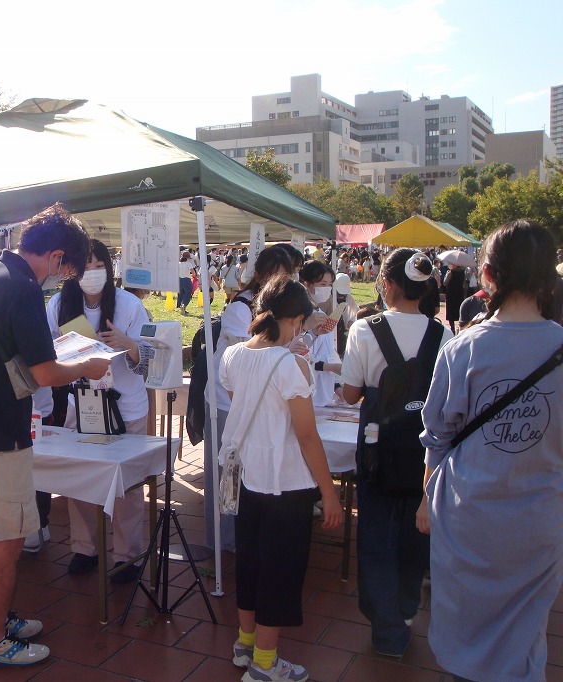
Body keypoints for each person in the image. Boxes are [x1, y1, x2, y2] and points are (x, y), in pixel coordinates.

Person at [0, 203, 109, 668]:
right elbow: (45, 372)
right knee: (8, 541)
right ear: (55, 257)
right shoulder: (23, 289)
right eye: (67, 270)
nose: (63, 279)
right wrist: (88, 365)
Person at [418, 221, 563, 682]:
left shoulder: (463, 348)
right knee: (525, 633)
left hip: (468, 515)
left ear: (488, 275)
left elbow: (437, 436)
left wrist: (426, 498)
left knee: (464, 630)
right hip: (540, 518)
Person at [220, 275, 342, 682]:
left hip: (246, 476)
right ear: (295, 320)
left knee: (250, 562)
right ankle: (265, 664)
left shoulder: (233, 355)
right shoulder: (291, 365)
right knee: (280, 572)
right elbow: (307, 435)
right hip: (286, 482)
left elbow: (243, 406)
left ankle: (245, 644)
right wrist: (329, 492)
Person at [341, 248, 453, 658]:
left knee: (376, 534)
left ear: (386, 283)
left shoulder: (364, 329)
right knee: (415, 531)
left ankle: (386, 628)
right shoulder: (444, 335)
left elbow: (350, 394)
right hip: (424, 452)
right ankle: (406, 610)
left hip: (377, 449)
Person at [45, 239, 152, 584]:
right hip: (83, 405)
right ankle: (85, 548)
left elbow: (150, 360)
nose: (92, 273)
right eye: (85, 266)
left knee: (127, 484)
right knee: (81, 476)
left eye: (99, 265)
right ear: (72, 270)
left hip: (127, 406)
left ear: (109, 268)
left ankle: (127, 554)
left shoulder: (129, 305)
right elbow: (45, 350)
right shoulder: (59, 304)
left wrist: (129, 344)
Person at [202, 246, 293, 551]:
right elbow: (251, 355)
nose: (280, 282)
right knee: (224, 472)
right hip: (225, 402)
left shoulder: (280, 312)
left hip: (254, 402)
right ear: (260, 275)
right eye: (275, 275)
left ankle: (244, 539)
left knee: (248, 472)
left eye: (286, 276)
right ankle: (222, 542)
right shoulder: (240, 308)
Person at [298, 261, 341, 406]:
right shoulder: (300, 316)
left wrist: (337, 387)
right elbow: (300, 354)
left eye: (329, 285)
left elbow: (328, 351)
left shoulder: (321, 313)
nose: (327, 289)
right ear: (307, 284)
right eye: (322, 284)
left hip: (325, 393)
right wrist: (330, 367)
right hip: (307, 393)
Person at [443, 263, 467, 333]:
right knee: (459, 309)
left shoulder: (451, 273)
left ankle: (452, 327)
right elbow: (464, 282)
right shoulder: (463, 273)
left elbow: (445, 283)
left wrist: (446, 274)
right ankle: (460, 326)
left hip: (451, 293)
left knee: (451, 311)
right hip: (459, 293)